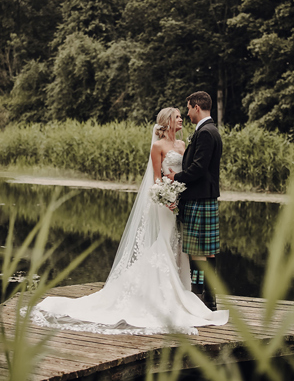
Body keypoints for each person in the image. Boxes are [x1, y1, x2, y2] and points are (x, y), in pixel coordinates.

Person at [32, 107, 229, 335]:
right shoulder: (157, 146)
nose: (181, 118)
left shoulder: (183, 145)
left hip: (182, 203)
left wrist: (179, 196)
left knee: (181, 246)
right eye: (177, 116)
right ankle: (162, 291)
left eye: (181, 114)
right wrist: (166, 197)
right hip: (166, 204)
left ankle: (185, 290)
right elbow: (157, 178)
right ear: (167, 122)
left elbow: (189, 173)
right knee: (166, 241)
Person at [165, 91, 222, 312]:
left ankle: (202, 297)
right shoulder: (209, 130)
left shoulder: (206, 132)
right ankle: (209, 298)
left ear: (197, 107)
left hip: (199, 196)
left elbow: (198, 168)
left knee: (199, 250)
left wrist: (175, 178)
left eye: (188, 108)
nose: (187, 113)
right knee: (207, 251)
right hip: (204, 196)